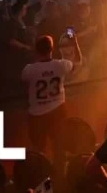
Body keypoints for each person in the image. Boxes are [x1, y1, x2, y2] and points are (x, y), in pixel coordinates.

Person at [20, 34, 82, 165]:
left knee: (38, 150)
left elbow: (24, 81)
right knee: (59, 148)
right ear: (51, 49)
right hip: (57, 112)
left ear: (36, 50)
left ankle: (40, 173)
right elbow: (78, 62)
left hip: (37, 115)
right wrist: (75, 43)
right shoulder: (61, 65)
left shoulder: (29, 70)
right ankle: (60, 174)